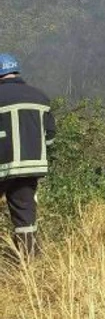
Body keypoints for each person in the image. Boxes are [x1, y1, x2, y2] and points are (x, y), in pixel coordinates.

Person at [0, 53, 56, 260]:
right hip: (31, 166)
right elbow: (50, 137)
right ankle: (30, 262)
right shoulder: (39, 96)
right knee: (24, 215)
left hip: (2, 164)